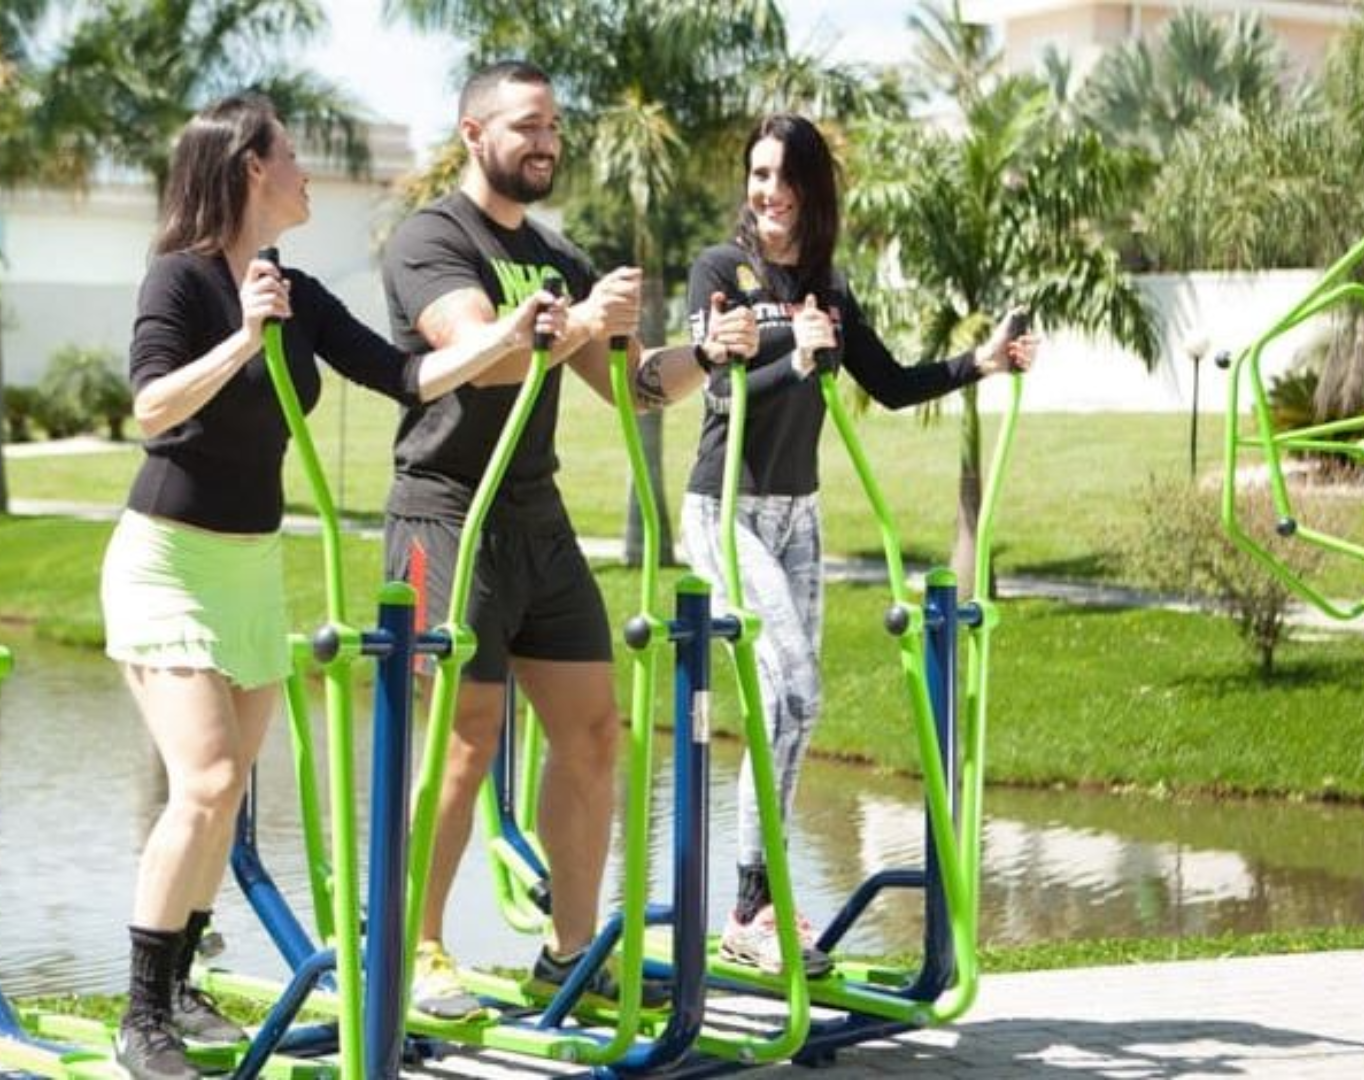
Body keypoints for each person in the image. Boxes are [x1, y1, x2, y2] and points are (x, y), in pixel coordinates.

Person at [101, 92, 568, 1080]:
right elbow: (147, 408)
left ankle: (181, 983)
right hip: (170, 563)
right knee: (209, 783)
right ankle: (141, 1016)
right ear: (248, 169)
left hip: (251, 564)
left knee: (226, 803)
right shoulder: (180, 281)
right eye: (293, 156)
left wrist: (515, 335)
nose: (309, 170)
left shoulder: (295, 287)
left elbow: (408, 376)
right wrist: (242, 338)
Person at [379, 60, 758, 1021]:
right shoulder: (431, 238)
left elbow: (629, 385)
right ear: (474, 134)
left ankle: (569, 954)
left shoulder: (554, 253)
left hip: (537, 521)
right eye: (526, 125)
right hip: (445, 514)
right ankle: (420, 953)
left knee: (593, 733)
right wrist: (572, 321)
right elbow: (479, 361)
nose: (546, 141)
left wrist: (707, 355)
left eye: (554, 126)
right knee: (463, 744)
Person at [679, 113, 1036, 978]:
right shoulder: (720, 273)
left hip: (799, 511)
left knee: (799, 707)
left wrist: (978, 364)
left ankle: (754, 904)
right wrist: (793, 362)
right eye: (757, 175)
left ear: (811, 191)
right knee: (790, 679)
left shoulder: (829, 289)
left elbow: (889, 380)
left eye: (783, 178)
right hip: (724, 508)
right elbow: (723, 386)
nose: (766, 192)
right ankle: (751, 908)